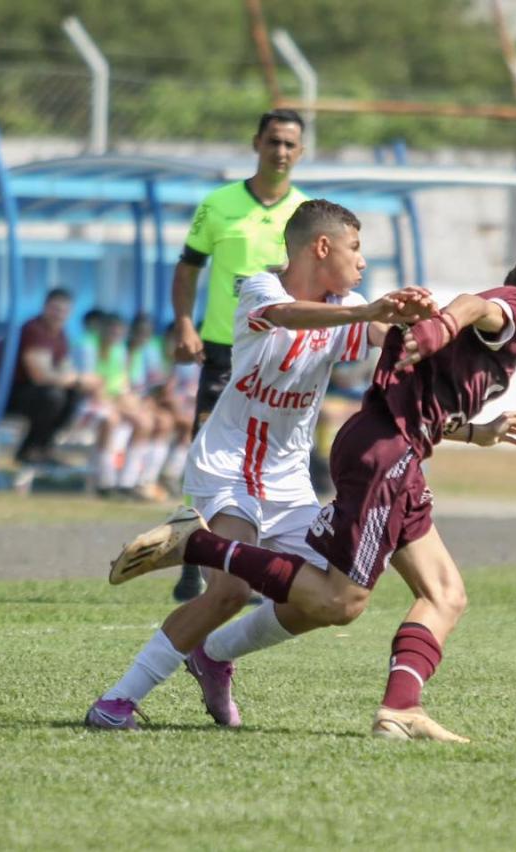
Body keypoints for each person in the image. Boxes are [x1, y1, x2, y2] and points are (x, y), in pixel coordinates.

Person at [106, 251, 516, 742]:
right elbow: (470, 306)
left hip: (370, 461)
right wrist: (435, 326)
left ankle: (394, 705)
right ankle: (196, 548)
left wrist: (476, 428)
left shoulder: (397, 317)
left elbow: (416, 397)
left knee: (442, 594)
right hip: (350, 459)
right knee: (335, 600)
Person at [85, 199, 437, 730]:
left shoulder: (352, 304)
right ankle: (116, 703)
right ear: (323, 247)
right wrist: (368, 312)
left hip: (289, 484)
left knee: (337, 600)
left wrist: (428, 326)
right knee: (229, 590)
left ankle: (214, 655)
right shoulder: (259, 287)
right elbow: (287, 317)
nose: (363, 263)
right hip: (225, 468)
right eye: (356, 249)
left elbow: (391, 338)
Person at [170, 108, 310, 601]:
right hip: (225, 349)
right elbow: (188, 268)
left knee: (271, 453)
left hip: (281, 353)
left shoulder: (308, 212)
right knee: (209, 450)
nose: (281, 152)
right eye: (274, 142)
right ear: (256, 143)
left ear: (302, 150)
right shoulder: (219, 204)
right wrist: (184, 322)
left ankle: (254, 559)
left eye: (291, 144)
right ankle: (192, 556)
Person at [3, 288, 100, 465]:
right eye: (55, 309)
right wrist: (78, 379)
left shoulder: (60, 334)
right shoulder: (34, 330)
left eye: (64, 310)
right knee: (52, 397)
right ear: (45, 307)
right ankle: (30, 450)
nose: (59, 314)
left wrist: (82, 381)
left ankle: (43, 448)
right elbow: (40, 375)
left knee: (73, 395)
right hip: (9, 394)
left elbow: (65, 368)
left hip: (33, 394)